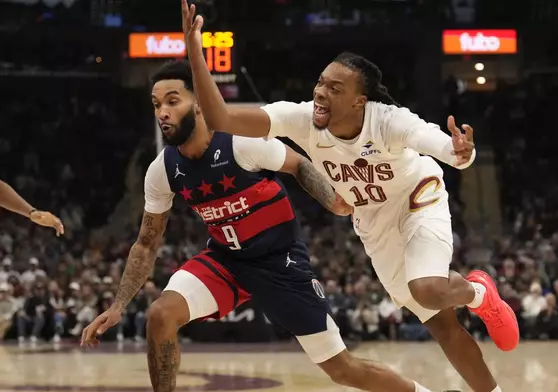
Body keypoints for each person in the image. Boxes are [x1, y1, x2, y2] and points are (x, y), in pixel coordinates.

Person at [181, 2, 518, 391]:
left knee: (426, 287)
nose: (321, 93)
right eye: (321, 82)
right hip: (374, 221)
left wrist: (463, 151)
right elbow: (223, 120)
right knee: (441, 323)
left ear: (360, 100)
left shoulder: (389, 121)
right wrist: (194, 50)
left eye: (334, 88)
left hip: (416, 198)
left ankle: (479, 293)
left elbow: (446, 148)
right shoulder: (303, 119)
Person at [80, 60, 437, 392]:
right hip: (226, 261)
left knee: (341, 368)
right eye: (157, 104)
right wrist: (118, 305)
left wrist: (334, 201)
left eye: (172, 101)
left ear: (200, 103)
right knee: (160, 315)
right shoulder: (161, 170)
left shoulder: (239, 143)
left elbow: (297, 164)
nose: (163, 112)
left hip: (279, 262)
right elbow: (146, 243)